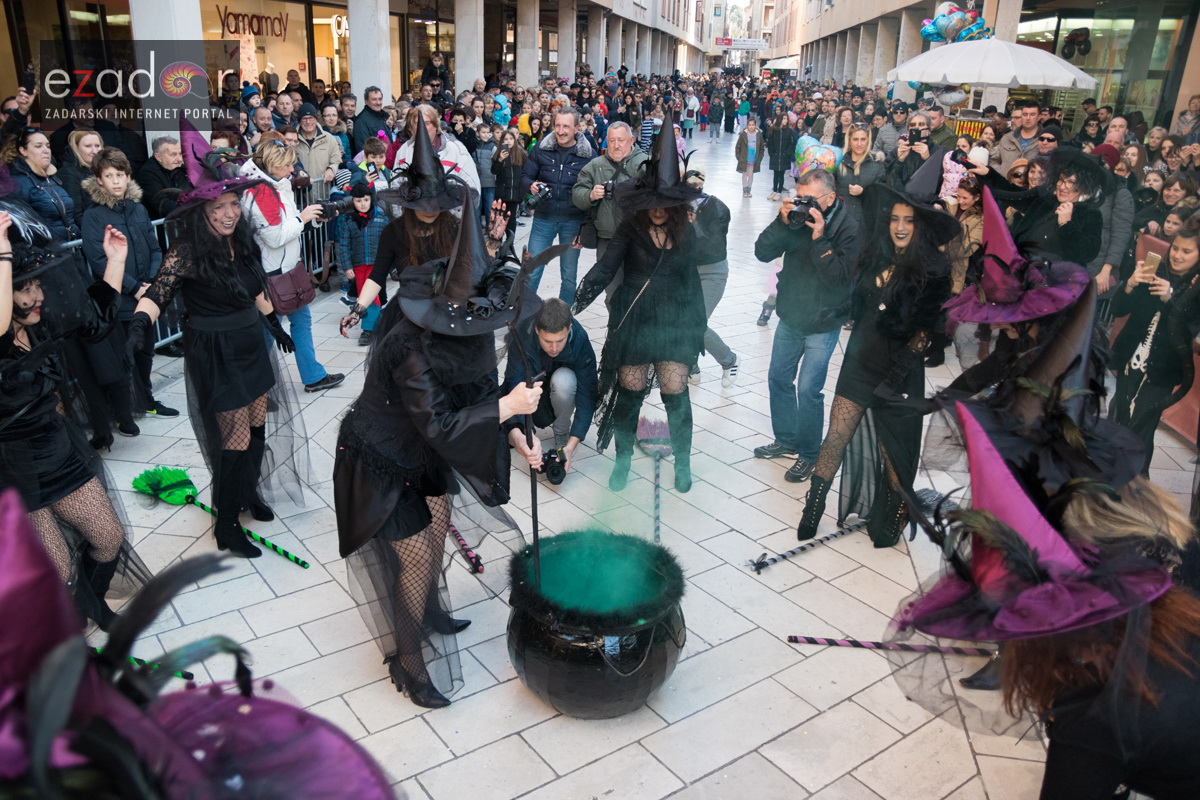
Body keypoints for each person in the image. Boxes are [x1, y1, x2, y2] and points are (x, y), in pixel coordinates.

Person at [335, 189, 539, 709]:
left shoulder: (461, 332)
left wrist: (515, 431)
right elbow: (445, 424)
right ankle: (408, 662)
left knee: (437, 527)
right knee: (416, 559)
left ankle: (428, 611)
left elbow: (478, 397)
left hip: (422, 447)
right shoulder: (408, 345)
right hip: (381, 458)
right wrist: (508, 408)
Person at [126, 127, 308, 559]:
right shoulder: (186, 251)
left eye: (232, 205)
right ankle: (226, 525)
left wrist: (274, 325)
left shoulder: (240, 241)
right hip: (216, 349)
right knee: (235, 437)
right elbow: (158, 293)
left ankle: (248, 492)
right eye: (219, 208)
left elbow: (257, 287)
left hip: (250, 341)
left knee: (259, 422)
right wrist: (138, 325)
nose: (228, 214)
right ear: (200, 211)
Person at [0, 204, 151, 630]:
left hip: (56, 447)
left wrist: (116, 262)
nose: (37, 297)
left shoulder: (38, 324)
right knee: (57, 566)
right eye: (23, 288)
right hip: (9, 469)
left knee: (108, 538)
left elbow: (94, 324)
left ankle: (92, 602)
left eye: (37, 286)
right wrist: (2, 255)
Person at [794, 184, 954, 547]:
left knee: (893, 452)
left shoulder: (934, 270)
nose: (900, 227)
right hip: (861, 360)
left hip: (900, 371)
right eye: (895, 219)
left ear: (920, 226)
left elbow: (924, 334)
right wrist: (836, 311)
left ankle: (895, 512)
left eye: (909, 221)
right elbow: (859, 304)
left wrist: (894, 379)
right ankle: (813, 507)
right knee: (836, 436)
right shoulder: (875, 255)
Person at [572, 125, 705, 493]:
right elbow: (605, 267)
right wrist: (576, 303)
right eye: (653, 203)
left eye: (666, 203)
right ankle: (623, 462)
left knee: (676, 395)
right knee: (629, 397)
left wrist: (697, 329)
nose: (659, 211)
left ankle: (684, 463)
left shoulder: (686, 230)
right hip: (635, 319)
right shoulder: (630, 227)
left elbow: (694, 280)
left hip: (675, 322)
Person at [753, 168, 862, 482]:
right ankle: (786, 440)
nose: (804, 205)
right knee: (778, 379)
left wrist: (819, 238)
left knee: (808, 389)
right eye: (800, 197)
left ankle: (809, 455)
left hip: (824, 320)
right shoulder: (796, 218)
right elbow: (762, 252)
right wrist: (781, 220)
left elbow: (840, 279)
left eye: (810, 199)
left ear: (829, 197)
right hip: (791, 314)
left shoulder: (849, 226)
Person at [339, 120, 464, 343]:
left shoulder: (453, 227)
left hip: (447, 313)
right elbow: (377, 276)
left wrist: (492, 242)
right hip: (408, 313)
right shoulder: (394, 232)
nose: (430, 211)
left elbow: (472, 268)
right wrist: (357, 310)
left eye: (434, 204)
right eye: (423, 205)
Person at [238, 138, 344, 393]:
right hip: (273, 271)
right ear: (273, 164)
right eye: (287, 165)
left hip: (285, 267)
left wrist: (311, 218)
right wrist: (302, 217)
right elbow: (274, 237)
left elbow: (287, 226)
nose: (292, 170)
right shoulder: (260, 190)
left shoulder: (274, 184)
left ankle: (301, 378)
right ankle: (262, 385)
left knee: (281, 326)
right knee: (269, 329)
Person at [80, 147, 178, 422]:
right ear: (99, 179)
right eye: (108, 175)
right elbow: (99, 260)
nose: (115, 181)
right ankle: (123, 413)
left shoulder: (137, 209)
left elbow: (155, 247)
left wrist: (150, 282)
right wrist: (135, 287)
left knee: (145, 352)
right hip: (119, 299)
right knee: (124, 356)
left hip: (145, 295)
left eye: (120, 175)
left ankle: (146, 399)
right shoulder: (94, 215)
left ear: (128, 176)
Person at [1108, 217, 1200, 475]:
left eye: (1187, 251)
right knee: (1120, 415)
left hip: (1165, 366)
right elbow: (1118, 309)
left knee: (1142, 427)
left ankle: (1138, 483)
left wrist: (1172, 299)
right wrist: (1130, 284)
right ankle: (1111, 474)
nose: (1178, 256)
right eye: (1175, 249)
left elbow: (1190, 331)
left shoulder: (1196, 287)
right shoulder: (1153, 269)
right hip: (1131, 355)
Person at [503, 297, 597, 470]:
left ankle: (561, 432)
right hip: (532, 387)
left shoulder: (580, 338)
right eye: (548, 341)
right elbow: (514, 383)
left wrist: (571, 445)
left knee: (565, 380)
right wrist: (527, 435)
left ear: (569, 329)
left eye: (560, 341)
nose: (554, 348)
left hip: (559, 386)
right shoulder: (521, 333)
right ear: (537, 330)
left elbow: (588, 394)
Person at [522, 107, 594, 304]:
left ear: (577, 128)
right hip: (543, 219)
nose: (560, 131)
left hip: (573, 222)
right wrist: (531, 185)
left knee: (569, 275)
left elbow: (593, 196)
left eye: (566, 126)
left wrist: (584, 229)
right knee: (532, 271)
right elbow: (525, 176)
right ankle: (524, 315)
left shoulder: (589, 155)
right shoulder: (540, 149)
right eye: (557, 125)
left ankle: (564, 319)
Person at [686, 169, 738, 387]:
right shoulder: (675, 208)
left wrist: (694, 224)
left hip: (712, 271)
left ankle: (729, 360)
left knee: (696, 322)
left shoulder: (717, 207)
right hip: (687, 272)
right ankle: (691, 366)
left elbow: (714, 245)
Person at [571, 120, 647, 258]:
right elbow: (577, 194)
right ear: (606, 141)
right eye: (612, 140)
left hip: (640, 236)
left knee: (638, 279)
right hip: (607, 238)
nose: (616, 145)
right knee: (607, 278)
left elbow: (659, 195)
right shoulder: (595, 165)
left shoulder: (645, 163)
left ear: (631, 140)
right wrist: (591, 195)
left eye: (620, 140)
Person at [332, 184, 389, 346]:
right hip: (358, 264)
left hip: (378, 264)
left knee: (373, 296)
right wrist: (347, 267)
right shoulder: (348, 219)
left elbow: (389, 241)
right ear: (352, 201)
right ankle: (374, 324)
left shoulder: (381, 217)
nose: (363, 204)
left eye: (366, 200)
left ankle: (369, 329)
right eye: (358, 201)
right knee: (365, 295)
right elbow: (343, 245)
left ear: (372, 199)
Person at [393, 104, 481, 200]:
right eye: (417, 123)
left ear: (436, 125)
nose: (422, 127)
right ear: (412, 127)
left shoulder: (456, 150)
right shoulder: (404, 151)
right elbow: (396, 187)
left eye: (427, 123)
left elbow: (472, 187)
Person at [835, 124, 887, 229]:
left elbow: (882, 195)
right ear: (849, 140)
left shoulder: (877, 164)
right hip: (839, 223)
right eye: (855, 139)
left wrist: (864, 192)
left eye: (863, 139)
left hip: (865, 224)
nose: (859, 144)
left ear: (868, 141)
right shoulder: (837, 162)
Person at [58, 130, 104, 227]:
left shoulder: (105, 171)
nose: (95, 151)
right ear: (75, 148)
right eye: (88, 146)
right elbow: (75, 215)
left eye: (97, 146)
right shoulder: (68, 173)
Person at [294, 103, 341, 183]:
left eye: (311, 118)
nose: (308, 122)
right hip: (300, 192)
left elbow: (336, 161)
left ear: (316, 119)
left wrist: (331, 169)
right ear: (299, 121)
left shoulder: (329, 139)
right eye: (304, 119)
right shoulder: (293, 139)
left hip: (322, 190)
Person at [492, 129, 527, 236]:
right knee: (500, 220)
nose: (508, 141)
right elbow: (494, 171)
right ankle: (497, 245)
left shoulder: (521, 154)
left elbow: (526, 173)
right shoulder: (498, 154)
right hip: (502, 193)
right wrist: (500, 160)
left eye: (511, 139)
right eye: (506, 139)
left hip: (515, 193)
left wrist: (522, 191)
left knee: (511, 220)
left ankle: (509, 244)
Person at [993, 99, 1042, 174]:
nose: (1028, 118)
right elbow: (994, 159)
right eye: (1025, 114)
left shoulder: (1045, 140)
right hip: (1005, 183)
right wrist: (999, 173)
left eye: (1032, 114)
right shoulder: (1007, 137)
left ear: (1039, 117)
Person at [765, 112, 798, 201]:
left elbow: (792, 143)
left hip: (784, 156)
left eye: (786, 119)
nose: (785, 121)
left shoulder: (789, 131)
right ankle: (774, 190)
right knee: (775, 174)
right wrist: (772, 153)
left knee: (781, 174)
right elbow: (770, 143)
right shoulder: (773, 130)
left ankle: (779, 192)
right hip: (775, 155)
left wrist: (787, 153)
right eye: (783, 118)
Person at [352, 86, 390, 155]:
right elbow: (363, 149)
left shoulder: (383, 116)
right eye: (374, 99)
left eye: (380, 99)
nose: (378, 102)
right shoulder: (361, 121)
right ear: (366, 101)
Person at [735, 116, 766, 198]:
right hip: (744, 158)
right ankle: (744, 191)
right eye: (749, 125)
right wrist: (739, 157)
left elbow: (762, 148)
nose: (751, 126)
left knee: (751, 175)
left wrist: (759, 158)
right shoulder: (743, 134)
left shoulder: (758, 135)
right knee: (744, 174)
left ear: (756, 125)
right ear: (747, 126)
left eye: (753, 125)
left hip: (754, 159)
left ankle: (749, 190)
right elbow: (738, 146)